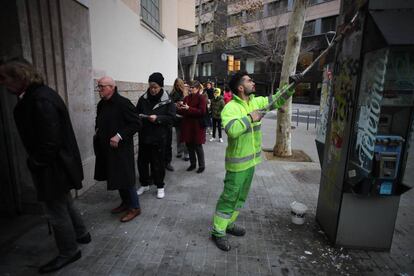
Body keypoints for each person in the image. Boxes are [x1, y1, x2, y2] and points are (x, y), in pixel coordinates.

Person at [0, 59, 90, 274]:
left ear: (20, 77)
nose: (2, 83)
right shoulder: (38, 95)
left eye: (4, 78)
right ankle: (82, 234)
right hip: (56, 165)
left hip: (52, 167)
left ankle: (69, 251)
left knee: (56, 211)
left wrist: (35, 162)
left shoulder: (39, 98)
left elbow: (50, 140)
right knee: (64, 202)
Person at [211, 71, 295, 251]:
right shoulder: (231, 107)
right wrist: (250, 118)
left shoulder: (256, 102)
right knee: (229, 198)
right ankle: (218, 232)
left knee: (240, 197)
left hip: (250, 163)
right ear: (241, 87)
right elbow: (232, 130)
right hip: (237, 165)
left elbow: (277, 99)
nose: (253, 82)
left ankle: (228, 224)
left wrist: (292, 85)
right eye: (249, 81)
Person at [94, 76, 142, 222]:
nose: (99, 89)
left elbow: (136, 123)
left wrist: (119, 135)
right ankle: (125, 203)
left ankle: (135, 207)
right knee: (116, 176)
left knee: (126, 178)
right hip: (107, 149)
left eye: (102, 86)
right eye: (98, 86)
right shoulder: (102, 104)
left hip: (121, 148)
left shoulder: (123, 103)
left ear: (112, 87)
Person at [136, 72, 175, 199]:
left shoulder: (167, 99)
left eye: (155, 87)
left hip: (159, 137)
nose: (153, 90)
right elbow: (136, 113)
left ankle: (160, 186)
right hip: (144, 135)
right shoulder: (143, 98)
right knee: (142, 161)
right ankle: (144, 184)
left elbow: (171, 118)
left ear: (161, 87)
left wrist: (158, 118)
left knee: (158, 163)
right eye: (151, 86)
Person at [177, 80, 207, 173]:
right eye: (190, 87)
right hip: (187, 125)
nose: (190, 89)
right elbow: (183, 111)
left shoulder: (202, 98)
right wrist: (179, 108)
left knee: (198, 146)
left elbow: (202, 112)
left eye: (192, 88)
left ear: (197, 89)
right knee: (189, 145)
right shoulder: (187, 98)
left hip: (197, 125)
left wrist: (189, 108)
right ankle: (192, 164)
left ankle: (201, 166)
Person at [170, 78, 189, 161]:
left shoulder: (186, 93)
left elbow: (189, 104)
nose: (177, 87)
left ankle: (186, 153)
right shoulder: (172, 93)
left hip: (185, 117)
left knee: (185, 136)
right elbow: (169, 104)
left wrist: (182, 104)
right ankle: (179, 151)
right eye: (176, 85)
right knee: (178, 136)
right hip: (177, 117)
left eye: (179, 85)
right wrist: (175, 104)